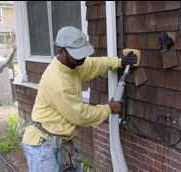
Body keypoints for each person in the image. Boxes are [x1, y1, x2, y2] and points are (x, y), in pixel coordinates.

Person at [22, 26, 137, 172]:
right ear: (62, 51)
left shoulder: (73, 65)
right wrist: (109, 108)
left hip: (60, 142)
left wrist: (120, 62)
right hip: (44, 146)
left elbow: (93, 64)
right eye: (77, 55)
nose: (81, 58)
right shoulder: (58, 81)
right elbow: (79, 115)